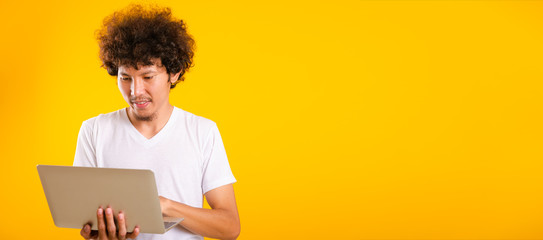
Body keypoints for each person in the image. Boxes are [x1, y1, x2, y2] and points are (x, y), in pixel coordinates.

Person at [73, 4, 240, 240]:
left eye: (148, 77)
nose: (135, 91)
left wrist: (165, 207)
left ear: (174, 73)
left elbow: (230, 227)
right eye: (125, 78)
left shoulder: (203, 132)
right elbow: (86, 223)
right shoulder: (94, 131)